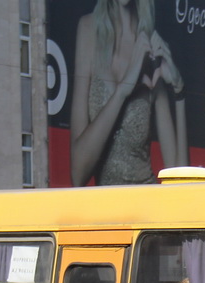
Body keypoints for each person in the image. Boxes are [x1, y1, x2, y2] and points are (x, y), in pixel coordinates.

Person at [70, 0, 188, 186]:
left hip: (146, 207)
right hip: (104, 210)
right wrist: (122, 91)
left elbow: (182, 183)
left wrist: (179, 91)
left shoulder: (151, 49)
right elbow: (78, 175)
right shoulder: (89, 30)